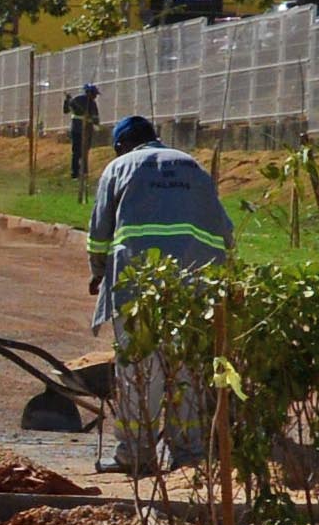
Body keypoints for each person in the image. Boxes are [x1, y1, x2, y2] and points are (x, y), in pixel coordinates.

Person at [86, 115, 235, 474]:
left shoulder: (119, 167)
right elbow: (226, 232)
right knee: (186, 371)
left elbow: (99, 234)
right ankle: (189, 455)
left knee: (139, 371)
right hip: (195, 289)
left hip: (137, 285)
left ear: (122, 145)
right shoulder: (194, 167)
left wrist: (98, 274)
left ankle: (137, 455)